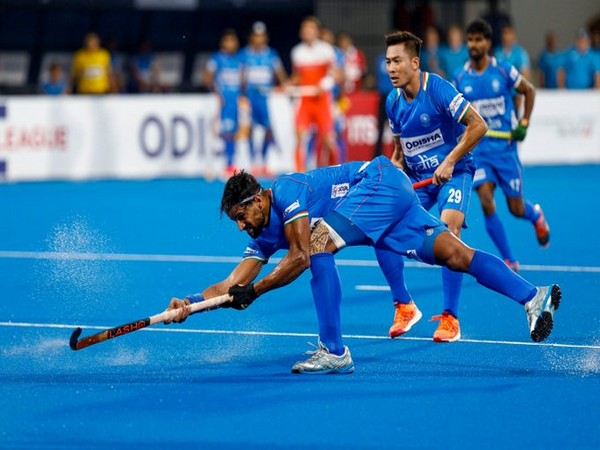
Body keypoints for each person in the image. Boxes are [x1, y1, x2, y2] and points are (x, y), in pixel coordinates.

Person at [165, 157, 561, 374]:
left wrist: (255, 292)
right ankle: (532, 296)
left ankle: (334, 351)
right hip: (387, 208)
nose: (240, 226)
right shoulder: (262, 234)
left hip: (379, 184)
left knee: (317, 246)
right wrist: (190, 302)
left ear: (257, 200)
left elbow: (300, 256)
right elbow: (233, 281)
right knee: (455, 255)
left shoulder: (287, 191)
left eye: (241, 215)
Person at [385, 30, 488, 343]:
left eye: (397, 61)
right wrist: (393, 169)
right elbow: (400, 152)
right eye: (388, 61)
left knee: (448, 233)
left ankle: (450, 318)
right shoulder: (392, 102)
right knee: (380, 229)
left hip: (454, 174)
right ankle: (404, 306)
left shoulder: (439, 89)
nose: (390, 68)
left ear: (415, 63)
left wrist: (450, 161)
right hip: (419, 180)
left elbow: (478, 125)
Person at [454, 19, 550, 273]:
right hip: (480, 152)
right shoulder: (460, 78)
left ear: (488, 43)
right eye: (470, 40)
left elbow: (528, 91)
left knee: (516, 208)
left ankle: (536, 216)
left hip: (506, 152)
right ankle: (509, 259)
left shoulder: (505, 71)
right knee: (486, 200)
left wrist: (524, 123)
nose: (473, 44)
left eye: (478, 40)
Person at [290, 16, 341, 171]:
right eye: (304, 29)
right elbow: (296, 78)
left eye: (310, 28)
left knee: (328, 141)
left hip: (322, 100)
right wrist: (287, 85)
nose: (307, 32)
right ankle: (299, 175)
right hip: (304, 100)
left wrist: (325, 84)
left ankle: (335, 173)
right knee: (299, 138)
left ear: (317, 32)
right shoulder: (297, 52)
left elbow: (337, 75)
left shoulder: (326, 50)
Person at [239, 21, 288, 177]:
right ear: (252, 38)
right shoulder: (245, 55)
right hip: (251, 96)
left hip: (266, 96)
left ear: (265, 38)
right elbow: (241, 76)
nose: (259, 39)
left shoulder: (271, 54)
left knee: (268, 130)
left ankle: (265, 162)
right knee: (251, 130)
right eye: (256, 36)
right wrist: (242, 95)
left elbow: (280, 73)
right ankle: (254, 162)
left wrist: (285, 85)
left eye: (262, 36)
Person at [204, 29, 244, 177]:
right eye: (228, 41)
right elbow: (206, 78)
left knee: (233, 133)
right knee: (220, 133)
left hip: (234, 103)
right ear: (223, 43)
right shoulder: (216, 59)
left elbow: (242, 81)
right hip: (221, 102)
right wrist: (216, 92)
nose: (231, 44)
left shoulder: (239, 61)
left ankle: (229, 164)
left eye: (233, 41)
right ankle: (215, 166)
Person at [373, 50, 394, 158]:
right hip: (387, 96)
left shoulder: (381, 59)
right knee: (382, 129)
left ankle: (398, 156)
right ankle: (377, 156)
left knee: (396, 130)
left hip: (392, 96)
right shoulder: (394, 59)